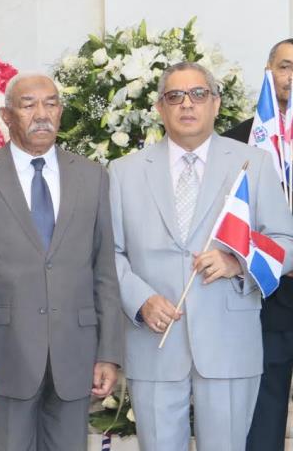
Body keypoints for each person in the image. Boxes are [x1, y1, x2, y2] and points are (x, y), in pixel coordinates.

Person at [110, 61, 293, 451]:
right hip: (154, 340)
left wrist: (237, 262)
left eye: (198, 94)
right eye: (175, 96)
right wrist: (139, 300)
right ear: (160, 108)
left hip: (230, 344)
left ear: (216, 103)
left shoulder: (254, 164)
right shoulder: (122, 172)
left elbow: (285, 242)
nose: (187, 105)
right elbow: (109, 253)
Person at [0, 73, 122, 451]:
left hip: (76, 357)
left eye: (51, 103)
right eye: (28, 104)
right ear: (5, 114)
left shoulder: (92, 176)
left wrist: (109, 353)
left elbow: (104, 270)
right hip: (1, 358)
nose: (42, 114)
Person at [224, 38, 293, 451]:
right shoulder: (235, 142)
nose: (292, 76)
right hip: (265, 301)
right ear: (268, 70)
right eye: (284, 66)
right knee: (263, 420)